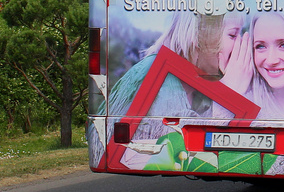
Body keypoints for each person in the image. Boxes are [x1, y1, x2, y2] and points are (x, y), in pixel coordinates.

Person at [107, 9, 249, 119]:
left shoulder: (197, 88)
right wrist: (229, 97)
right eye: (233, 35)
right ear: (202, 34)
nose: (240, 44)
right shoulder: (158, 78)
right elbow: (171, 150)